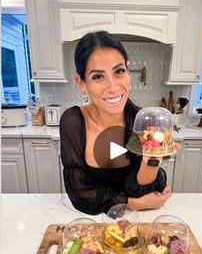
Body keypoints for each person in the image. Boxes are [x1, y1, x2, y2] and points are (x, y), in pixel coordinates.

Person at [60, 30, 172, 215]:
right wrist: (133, 203)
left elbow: (143, 189)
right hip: (90, 220)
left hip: (139, 221)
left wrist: (151, 159)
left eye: (119, 71)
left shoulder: (143, 122)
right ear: (81, 83)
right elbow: (79, 193)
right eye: (98, 76)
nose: (112, 87)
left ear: (128, 73)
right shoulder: (73, 122)